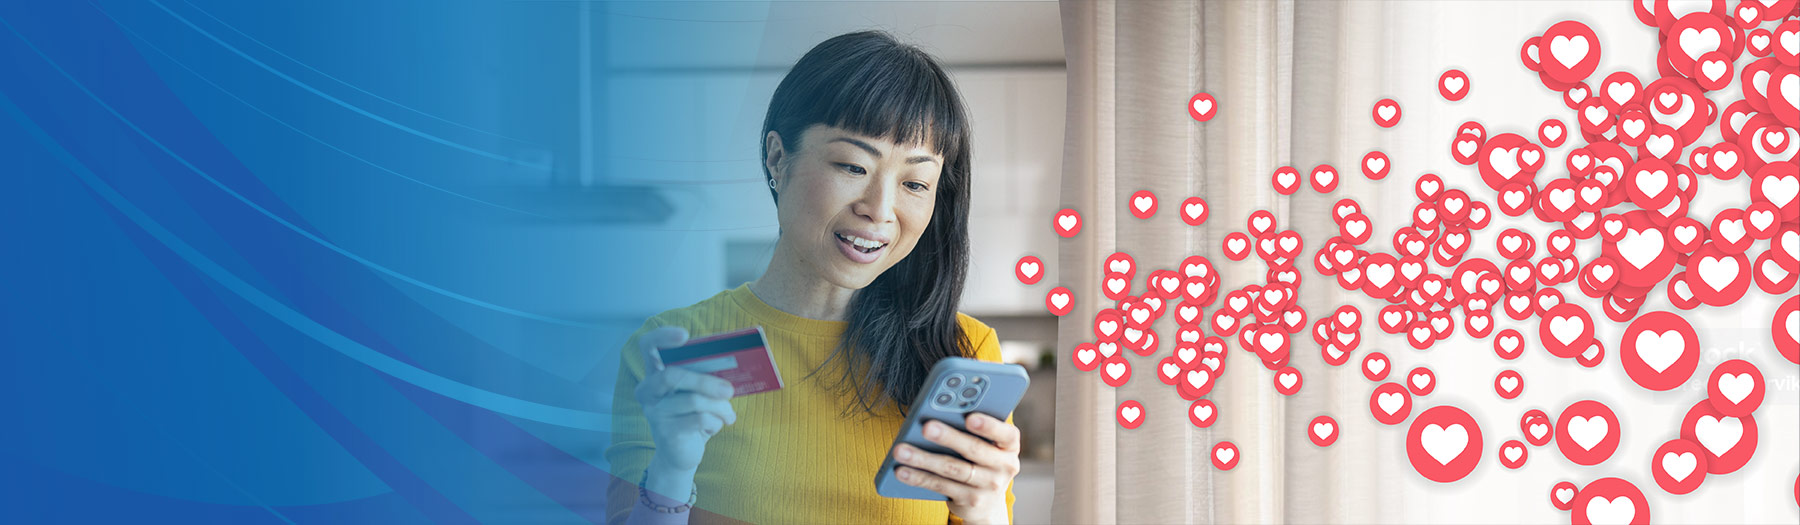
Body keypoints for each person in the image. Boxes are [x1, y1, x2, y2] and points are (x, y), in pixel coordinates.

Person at [603, 30, 1020, 525]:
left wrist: (988, 509)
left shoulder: (961, 351)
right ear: (778, 157)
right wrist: (672, 470)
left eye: (914, 182)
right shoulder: (676, 350)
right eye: (851, 165)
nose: (880, 211)